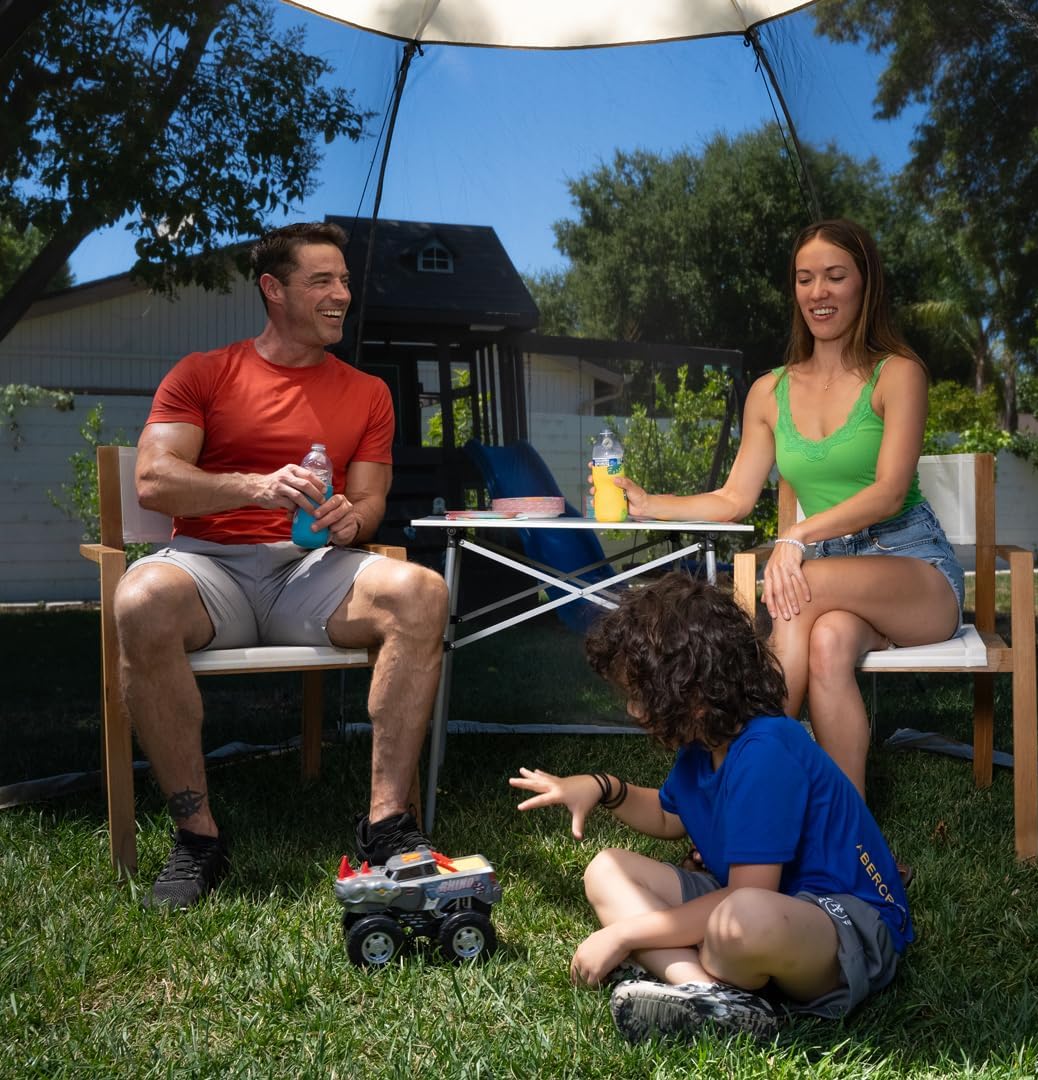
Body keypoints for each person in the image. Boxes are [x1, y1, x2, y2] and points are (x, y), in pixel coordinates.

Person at [114, 221, 449, 910]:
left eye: (345, 281)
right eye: (321, 281)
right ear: (273, 289)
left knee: (421, 591)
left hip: (311, 573)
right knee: (140, 597)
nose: (341, 296)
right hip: (210, 569)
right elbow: (153, 481)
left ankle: (387, 826)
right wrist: (255, 486)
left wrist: (353, 519)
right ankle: (197, 838)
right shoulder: (204, 373)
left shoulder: (367, 392)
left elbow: (371, 498)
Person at [608, 219, 964, 800]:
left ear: (864, 283)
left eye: (834, 276)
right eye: (805, 279)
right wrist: (650, 501)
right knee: (823, 643)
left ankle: (739, 790)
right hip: (823, 578)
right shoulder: (770, 391)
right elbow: (733, 498)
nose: (818, 292)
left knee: (797, 593)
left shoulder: (898, 374)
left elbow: (889, 492)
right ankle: (847, 826)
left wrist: (797, 536)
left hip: (912, 569)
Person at [510, 574, 912, 1044]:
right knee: (605, 869)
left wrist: (624, 936)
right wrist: (605, 789)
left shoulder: (767, 749)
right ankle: (713, 997)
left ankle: (708, 984)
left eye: (643, 694)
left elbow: (744, 898)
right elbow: (667, 817)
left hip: (848, 928)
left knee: (738, 920)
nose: (637, 711)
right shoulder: (702, 748)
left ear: (694, 692)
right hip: (758, 913)